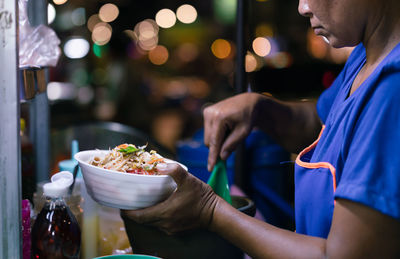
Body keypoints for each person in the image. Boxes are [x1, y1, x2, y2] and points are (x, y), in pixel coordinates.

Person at [122, 0, 400, 257]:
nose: (303, 7)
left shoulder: (392, 89)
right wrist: (262, 109)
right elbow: (324, 125)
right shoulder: (365, 56)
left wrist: (209, 210)